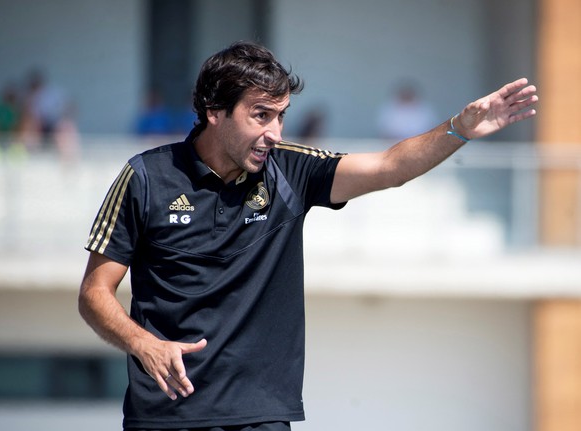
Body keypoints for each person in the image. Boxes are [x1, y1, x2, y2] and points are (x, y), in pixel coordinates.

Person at [78, 41, 538, 431]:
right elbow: (94, 292)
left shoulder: (291, 171)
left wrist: (459, 128)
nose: (275, 132)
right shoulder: (144, 177)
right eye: (261, 115)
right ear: (214, 111)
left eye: (281, 116)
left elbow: (389, 167)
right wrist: (143, 344)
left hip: (262, 414)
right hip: (164, 416)